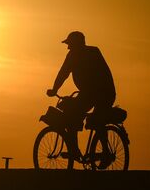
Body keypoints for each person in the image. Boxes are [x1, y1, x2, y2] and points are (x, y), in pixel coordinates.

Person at [47, 31, 116, 165]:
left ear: (76, 44)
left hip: (98, 93)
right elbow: (63, 73)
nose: (68, 47)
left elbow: (63, 74)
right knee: (85, 117)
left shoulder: (78, 55)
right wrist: (56, 88)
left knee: (87, 118)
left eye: (70, 44)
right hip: (97, 93)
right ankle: (82, 151)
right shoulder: (91, 52)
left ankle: (98, 153)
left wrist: (54, 90)